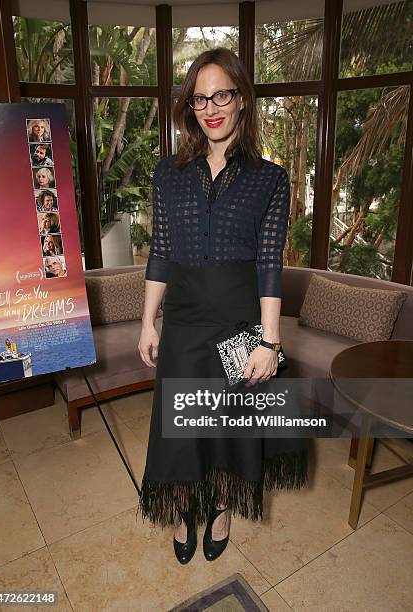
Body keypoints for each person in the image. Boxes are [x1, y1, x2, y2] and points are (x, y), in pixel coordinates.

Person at [137, 48, 309, 565]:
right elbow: (162, 252)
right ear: (190, 107)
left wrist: (270, 341)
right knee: (182, 428)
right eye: (199, 98)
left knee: (229, 426)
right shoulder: (168, 175)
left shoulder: (270, 179)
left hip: (240, 324)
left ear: (242, 101)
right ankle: (185, 508)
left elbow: (269, 267)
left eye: (222, 95)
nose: (210, 107)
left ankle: (220, 506)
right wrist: (148, 321)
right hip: (185, 323)